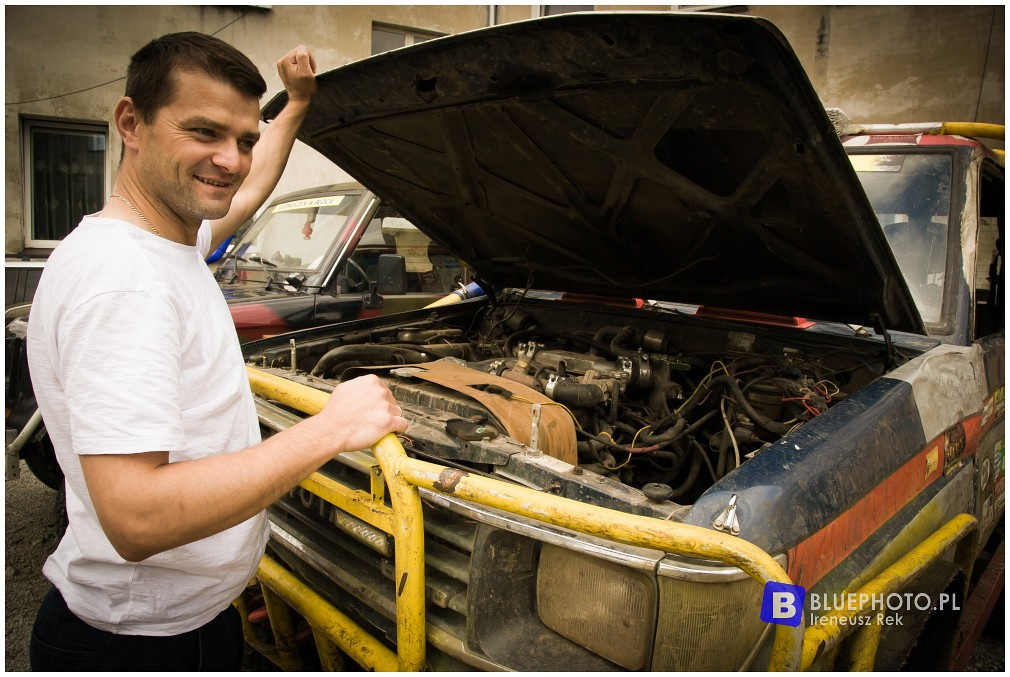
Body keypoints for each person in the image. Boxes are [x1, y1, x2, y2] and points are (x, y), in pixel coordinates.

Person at [26, 32, 407, 671]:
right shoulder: (125, 281)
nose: (229, 160)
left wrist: (296, 107)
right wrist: (330, 430)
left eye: (244, 139)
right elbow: (137, 518)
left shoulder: (164, 239)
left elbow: (250, 188)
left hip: (183, 624)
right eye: (203, 133)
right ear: (131, 123)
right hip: (136, 648)